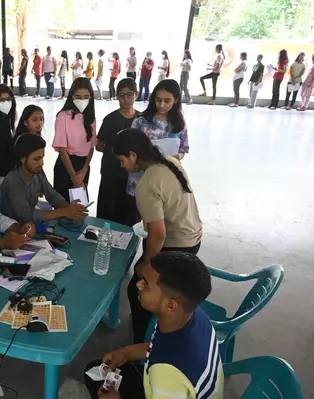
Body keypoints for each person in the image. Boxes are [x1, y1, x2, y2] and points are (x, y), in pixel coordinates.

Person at [83, 251, 223, 399]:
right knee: (95, 370)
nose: (138, 283)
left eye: (146, 283)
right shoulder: (192, 316)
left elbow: (168, 370)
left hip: (169, 386)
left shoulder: (166, 375)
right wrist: (127, 352)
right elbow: (164, 346)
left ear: (170, 305)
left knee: (97, 383)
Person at [114, 128, 202, 344]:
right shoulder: (169, 161)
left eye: (122, 160)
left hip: (177, 247)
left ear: (133, 155)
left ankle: (142, 344)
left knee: (138, 290)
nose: (122, 166)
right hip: (193, 240)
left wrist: (146, 264)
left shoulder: (148, 182)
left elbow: (158, 234)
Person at [130, 79, 190, 225]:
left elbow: (183, 149)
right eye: (158, 100)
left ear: (175, 100)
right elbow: (129, 149)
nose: (162, 105)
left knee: (157, 224)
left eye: (167, 101)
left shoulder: (179, 123)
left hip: (164, 180)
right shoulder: (140, 122)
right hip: (139, 178)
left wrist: (176, 156)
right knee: (136, 222)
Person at [1, 133, 88, 224]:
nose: (41, 163)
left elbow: (52, 195)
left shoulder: (38, 173)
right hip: (12, 228)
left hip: (31, 225)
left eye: (42, 158)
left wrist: (69, 207)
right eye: (36, 159)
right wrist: (64, 211)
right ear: (23, 159)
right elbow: (27, 215)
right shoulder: (12, 181)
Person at [96, 78, 140, 224]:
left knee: (128, 214)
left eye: (129, 95)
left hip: (133, 177)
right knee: (107, 213)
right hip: (111, 173)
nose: (125, 99)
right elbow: (99, 145)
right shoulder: (110, 120)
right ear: (116, 96)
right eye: (121, 95)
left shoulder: (142, 120)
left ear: (136, 95)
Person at [53, 77, 97, 201]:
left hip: (83, 167)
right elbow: (62, 149)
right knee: (64, 206)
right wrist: (74, 177)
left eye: (86, 96)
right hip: (66, 165)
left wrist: (83, 171)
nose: (82, 100)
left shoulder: (91, 118)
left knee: (80, 206)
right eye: (78, 96)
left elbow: (91, 147)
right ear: (72, 96)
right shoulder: (63, 116)